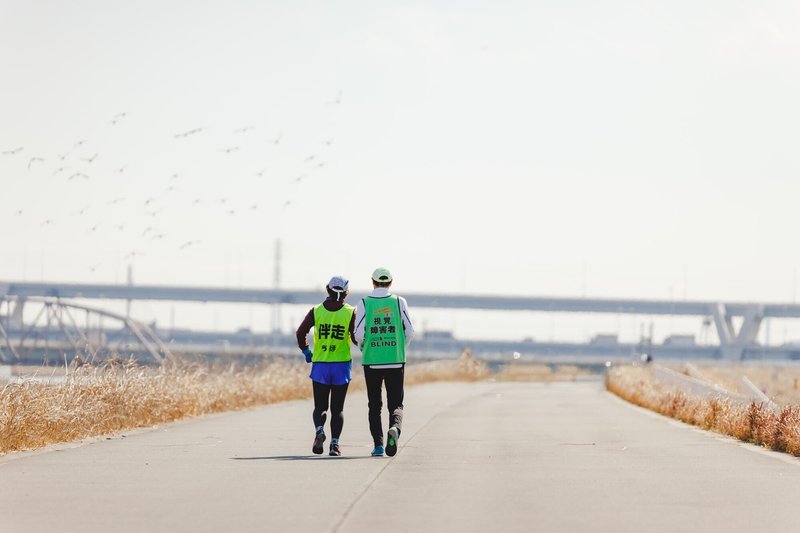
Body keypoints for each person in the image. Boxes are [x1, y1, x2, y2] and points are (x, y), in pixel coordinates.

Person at [354, 267, 414, 457]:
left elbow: (358, 333)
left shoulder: (364, 303)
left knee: (374, 404)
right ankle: (395, 429)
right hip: (395, 360)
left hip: (372, 361)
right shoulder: (399, 302)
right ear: (390, 282)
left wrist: (364, 347)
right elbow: (410, 331)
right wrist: (400, 346)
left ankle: (378, 445)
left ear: (372, 282)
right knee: (396, 403)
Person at [295, 275, 356, 456]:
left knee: (320, 407)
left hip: (321, 365)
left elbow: (300, 332)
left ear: (327, 289)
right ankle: (334, 445)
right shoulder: (351, 312)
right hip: (341, 366)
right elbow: (355, 338)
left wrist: (307, 351)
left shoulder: (316, 311)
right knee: (338, 409)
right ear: (346, 292)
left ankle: (320, 430)